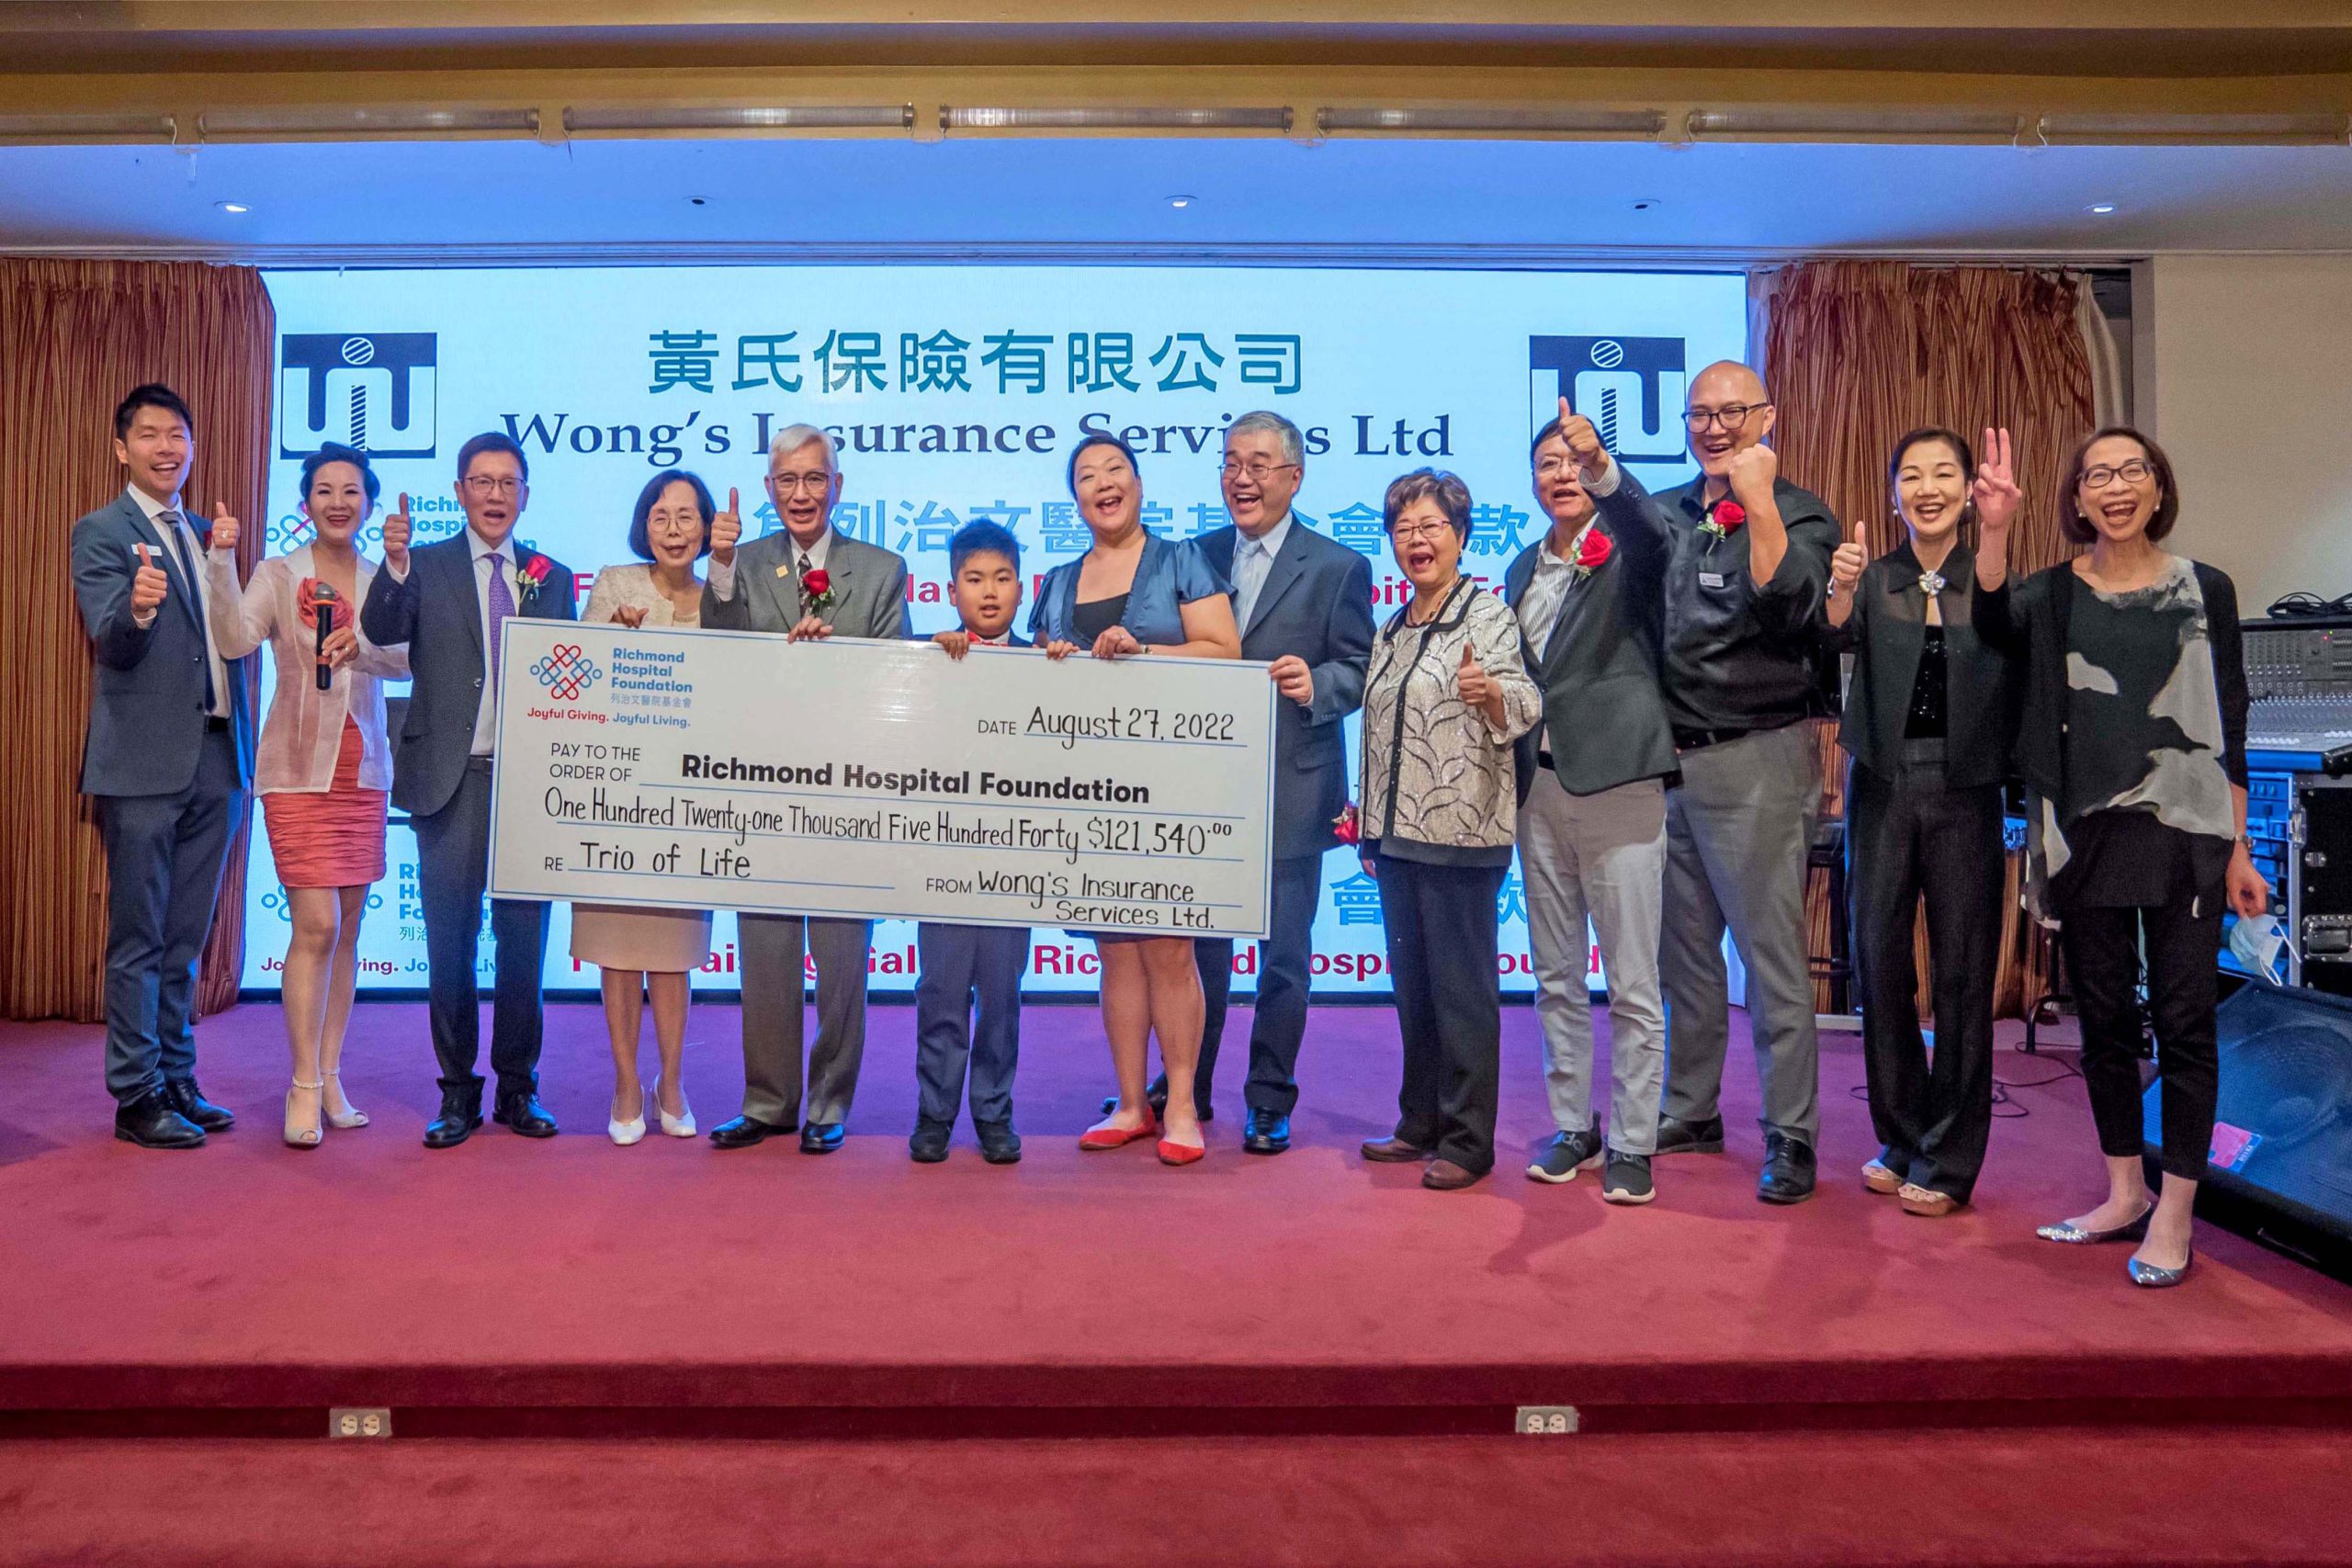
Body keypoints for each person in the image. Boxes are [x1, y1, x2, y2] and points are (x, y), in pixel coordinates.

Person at [1973, 426, 2266, 1287]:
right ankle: (2124, 1191)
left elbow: (2232, 717)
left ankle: (2176, 1211)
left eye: (2132, 469)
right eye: (2097, 474)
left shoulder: (2205, 587)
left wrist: (2241, 847)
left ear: (2157, 487)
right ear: (2076, 498)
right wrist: (1994, 527)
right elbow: (1989, 621)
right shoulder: (2052, 593)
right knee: (2100, 1019)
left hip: (2189, 829)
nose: (2116, 486)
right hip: (2085, 831)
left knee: (2184, 1019)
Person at [1584, 361, 1841, 1203]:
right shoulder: (1668, 509)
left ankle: (1791, 1131)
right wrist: (1601, 470)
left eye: (1734, 411)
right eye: (1700, 413)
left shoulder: (1799, 511)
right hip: (1666, 760)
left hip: (1757, 755)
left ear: (1768, 416)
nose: (1716, 427)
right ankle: (1692, 1107)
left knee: (1769, 960)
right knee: (1683, 955)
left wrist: (1758, 500)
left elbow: (1794, 604)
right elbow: (1631, 539)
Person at [1104, 412, 1374, 1154]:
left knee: (1283, 959)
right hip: (1203, 788)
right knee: (1199, 953)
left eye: (1258, 463)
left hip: (1294, 784)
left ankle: (1269, 1097)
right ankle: (1185, 1089)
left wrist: (1318, 681)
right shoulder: (1193, 554)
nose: (1241, 477)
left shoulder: (1339, 566)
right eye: (1230, 462)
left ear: (1295, 476)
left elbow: (1361, 667)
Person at [1823, 428, 2023, 1216]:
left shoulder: (1994, 577)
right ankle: (1902, 1133)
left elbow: (2005, 625)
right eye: (1912, 475)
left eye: (1944, 473)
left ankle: (1950, 1158)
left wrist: (1997, 532)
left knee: (1963, 973)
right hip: (1882, 782)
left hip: (1965, 787)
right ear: (1893, 493)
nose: (1927, 488)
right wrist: (1839, 588)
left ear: (1971, 490)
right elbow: (1830, 633)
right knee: (1878, 962)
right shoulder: (1875, 577)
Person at [360, 431, 577, 1148]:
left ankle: (519, 1088)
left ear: (525, 495)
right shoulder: (422, 564)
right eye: (481, 482)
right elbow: (381, 627)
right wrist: (393, 566)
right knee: (450, 943)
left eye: (508, 483)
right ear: (459, 492)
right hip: (448, 782)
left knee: (524, 945)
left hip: (529, 786)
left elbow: (573, 674)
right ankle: (456, 1092)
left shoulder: (551, 575)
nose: (494, 495)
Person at [1032, 434, 1241, 1166]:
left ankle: (1180, 1104)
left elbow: (1225, 652)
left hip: (1172, 787)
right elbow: (1032, 682)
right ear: (1076, 499)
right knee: (1115, 950)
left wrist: (1145, 653)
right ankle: (1129, 1102)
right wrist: (1051, 662)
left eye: (1115, 469)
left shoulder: (1182, 559)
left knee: (1170, 947)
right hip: (1086, 791)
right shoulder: (1058, 581)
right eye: (1086, 476)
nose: (1103, 483)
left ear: (1140, 483)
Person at [701, 425, 910, 1155]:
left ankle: (829, 1101)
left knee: (843, 959)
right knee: (764, 952)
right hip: (761, 789)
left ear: (837, 486)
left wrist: (839, 662)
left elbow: (897, 680)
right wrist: (719, 565)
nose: (801, 493)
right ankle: (768, 1100)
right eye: (787, 480)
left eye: (814, 478)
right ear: (768, 489)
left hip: (848, 792)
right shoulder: (740, 562)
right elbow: (718, 650)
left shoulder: (881, 569)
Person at [205, 444, 409, 1147]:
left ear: (368, 504)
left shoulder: (382, 578)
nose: (338, 502)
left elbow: (406, 659)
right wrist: (221, 560)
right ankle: (301, 1083)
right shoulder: (278, 572)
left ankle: (331, 1073)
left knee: (346, 927)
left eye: (351, 491)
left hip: (363, 771)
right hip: (295, 770)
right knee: (315, 924)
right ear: (305, 503)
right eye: (325, 490)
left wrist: (364, 650)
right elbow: (233, 637)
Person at [71, 383, 256, 1149]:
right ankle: (136, 1092)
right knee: (139, 938)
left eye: (178, 434)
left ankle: (178, 1076)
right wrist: (139, 608)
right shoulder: (100, 531)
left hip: (218, 757)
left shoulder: (211, 535)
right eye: (150, 434)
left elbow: (234, 638)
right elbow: (110, 639)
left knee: (185, 937)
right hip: (142, 765)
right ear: (123, 449)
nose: (167, 447)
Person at [1505, 407, 1678, 1203]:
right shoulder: (1520, 567)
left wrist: (1603, 464)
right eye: (1547, 463)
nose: (1561, 474)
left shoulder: (1629, 551)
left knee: (1633, 981)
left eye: (1572, 462)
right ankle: (1574, 1124)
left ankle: (1634, 1141)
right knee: (1555, 975)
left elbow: (1651, 531)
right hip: (1537, 789)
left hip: (1620, 784)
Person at [1357, 469, 1541, 1190]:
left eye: (1431, 525)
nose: (1417, 540)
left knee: (1462, 993)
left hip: (1463, 833)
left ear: (1461, 536)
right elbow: (1377, 730)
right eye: (1404, 528)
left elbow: (1526, 699)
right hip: (1395, 837)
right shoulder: (1391, 628)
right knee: (1414, 990)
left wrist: (1489, 691)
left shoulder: (1487, 615)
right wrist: (1367, 823)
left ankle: (1468, 1139)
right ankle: (1420, 1121)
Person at [575, 469, 718, 1146]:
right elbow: (575, 676)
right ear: (644, 525)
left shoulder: (722, 595)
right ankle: (627, 1082)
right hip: (615, 793)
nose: (673, 529)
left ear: (707, 527)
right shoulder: (614, 584)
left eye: (686, 517)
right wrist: (611, 635)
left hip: (691, 796)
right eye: (661, 516)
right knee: (618, 943)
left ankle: (674, 1081)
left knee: (673, 947)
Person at [910, 520, 1035, 1166]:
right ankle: (934, 1112)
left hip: (1014, 858)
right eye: (975, 579)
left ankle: (993, 1111)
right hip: (945, 856)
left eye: (1002, 579)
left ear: (1022, 588)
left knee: (1001, 996)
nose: (989, 592)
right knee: (941, 989)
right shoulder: (925, 658)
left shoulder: (1049, 663)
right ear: (951, 590)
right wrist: (925, 663)